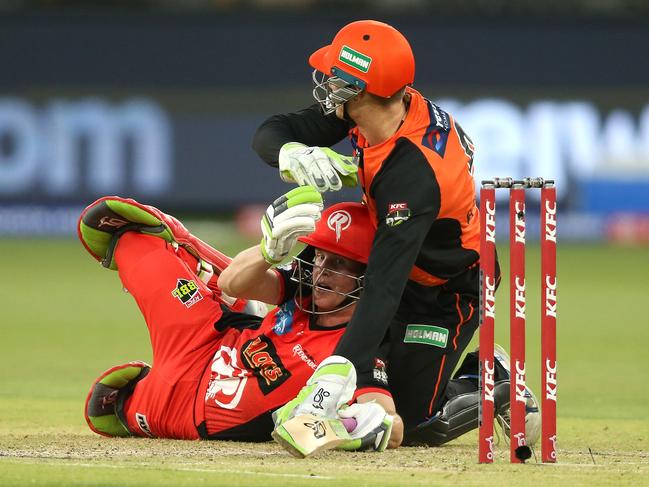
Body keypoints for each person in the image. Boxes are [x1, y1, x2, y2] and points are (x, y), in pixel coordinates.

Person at [252, 19, 539, 446]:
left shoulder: (414, 176)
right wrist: (291, 152)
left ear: (359, 88)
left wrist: (328, 385)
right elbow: (272, 132)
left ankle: (487, 376)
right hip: (392, 259)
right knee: (364, 373)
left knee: (415, 424)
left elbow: (385, 289)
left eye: (336, 76)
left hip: (449, 286)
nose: (328, 83)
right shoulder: (376, 109)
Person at [78, 188, 402, 453]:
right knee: (131, 234)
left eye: (339, 264)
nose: (322, 272)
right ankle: (194, 259)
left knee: (108, 408)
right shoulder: (303, 285)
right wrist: (268, 252)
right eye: (320, 257)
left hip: (191, 416)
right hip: (204, 339)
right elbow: (231, 282)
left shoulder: (358, 345)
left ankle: (199, 269)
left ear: (367, 276)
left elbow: (391, 423)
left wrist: (354, 425)